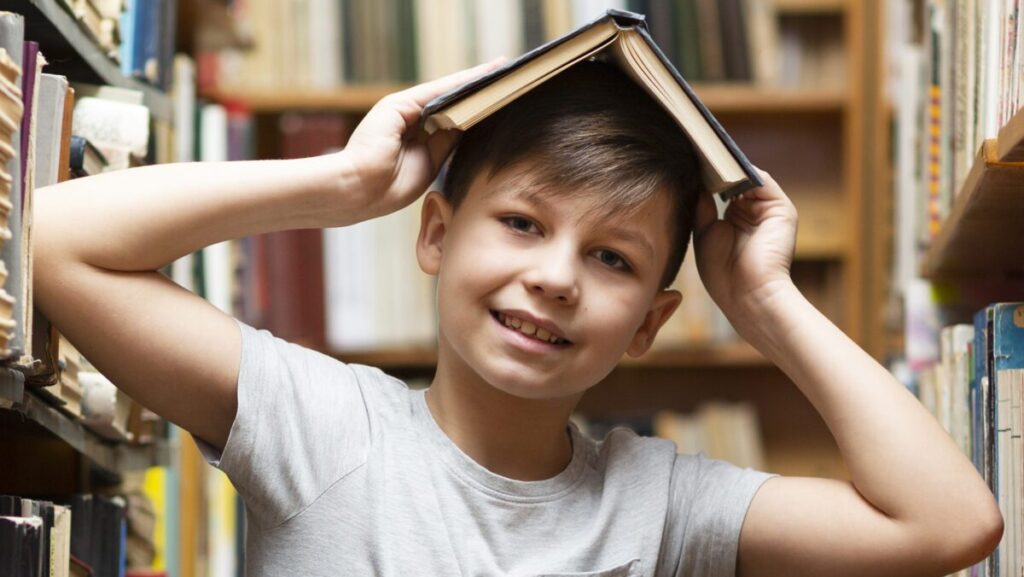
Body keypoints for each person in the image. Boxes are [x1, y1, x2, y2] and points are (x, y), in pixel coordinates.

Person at [34, 56, 1001, 577]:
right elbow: (46, 240)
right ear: (436, 234)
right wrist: (342, 183)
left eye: (612, 257)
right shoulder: (323, 424)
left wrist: (767, 303)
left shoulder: (661, 504)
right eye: (522, 222)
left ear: (649, 324)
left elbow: (949, 524)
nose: (554, 277)